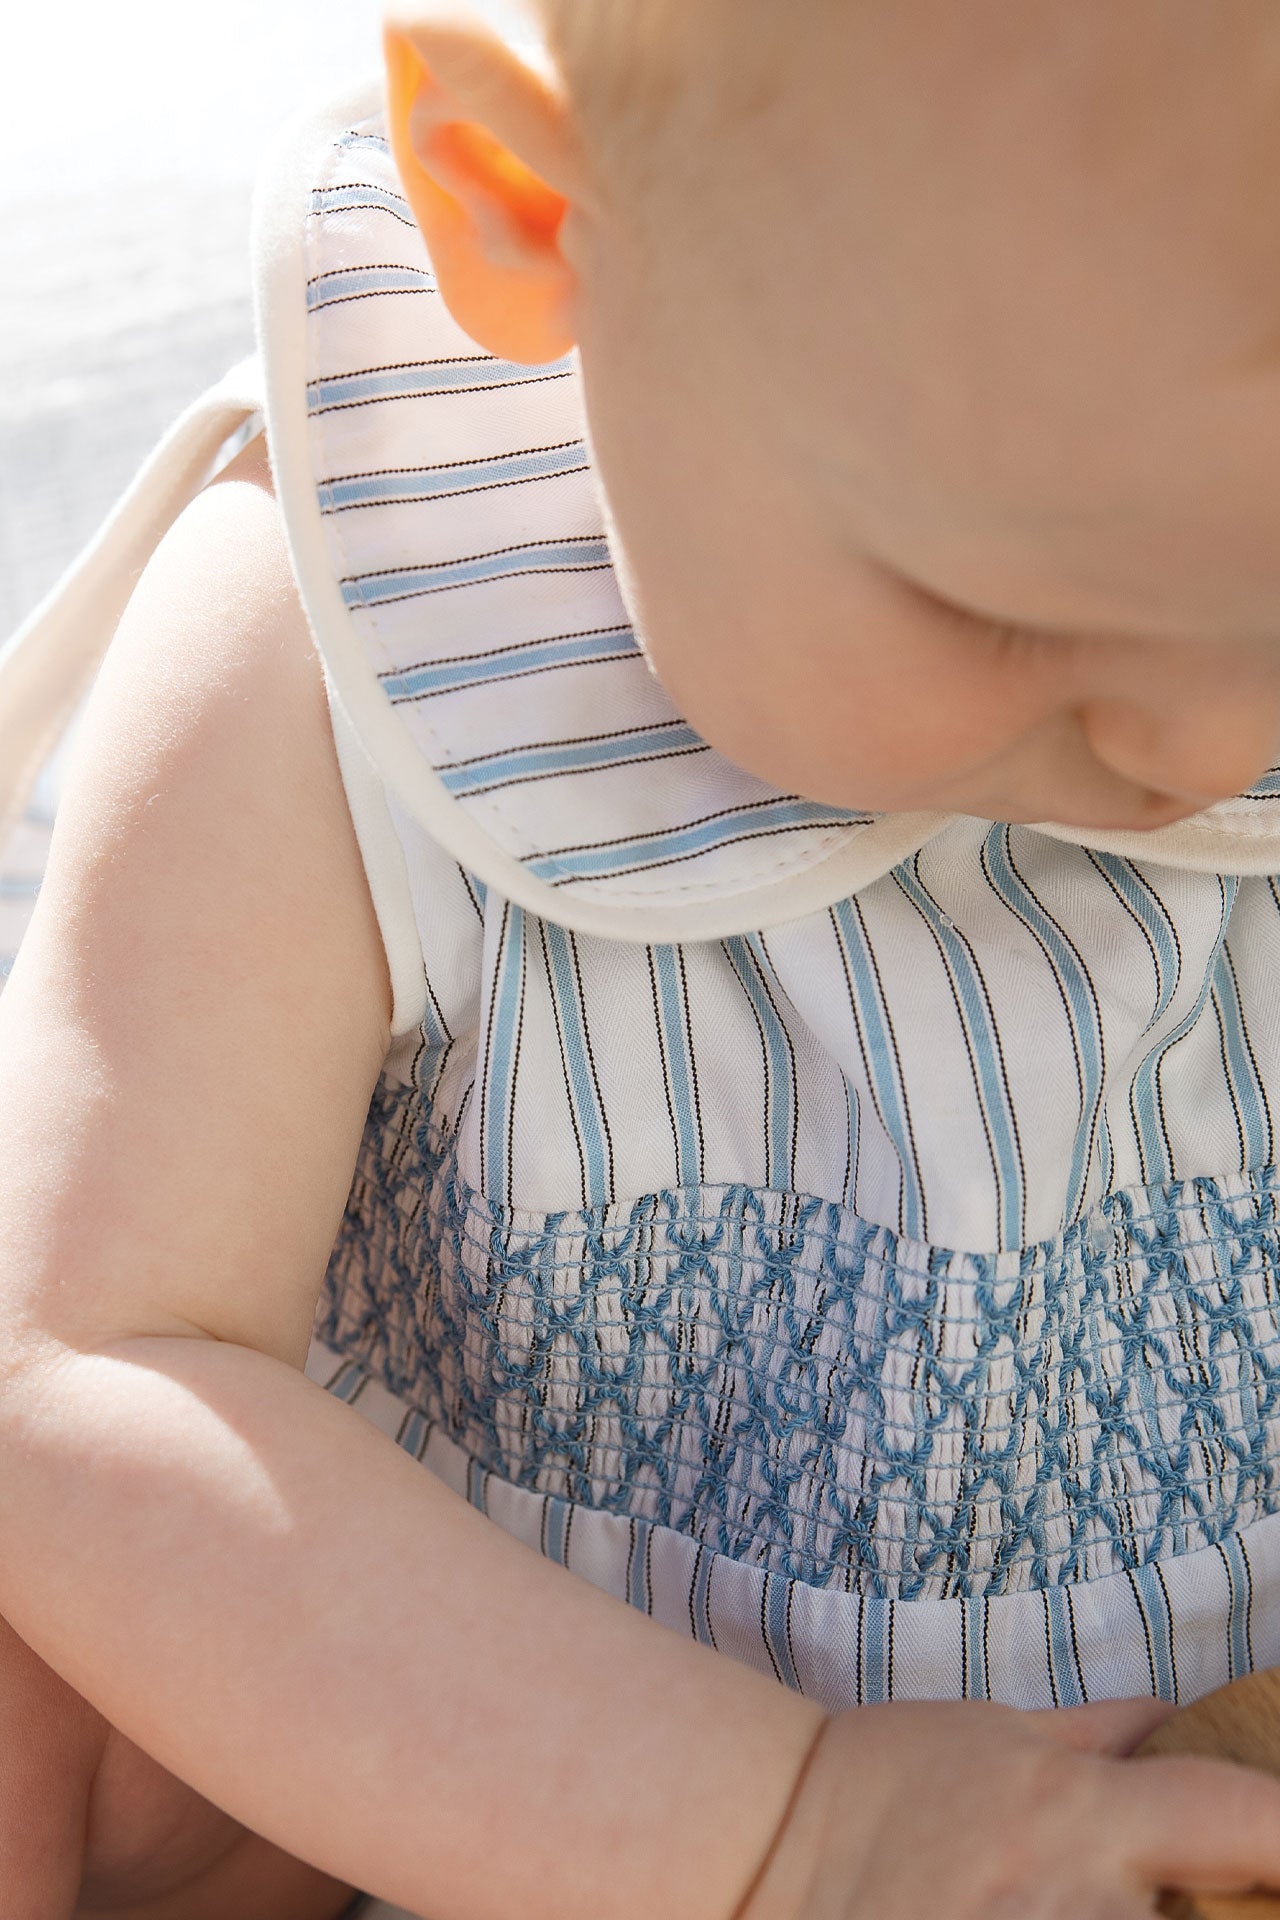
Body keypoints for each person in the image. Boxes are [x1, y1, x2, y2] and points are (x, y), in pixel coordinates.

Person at [5, 1, 1280, 1913]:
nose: (1212, 748)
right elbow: (84, 1382)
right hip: (524, 1820)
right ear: (531, 208)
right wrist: (779, 1835)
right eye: (1004, 610)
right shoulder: (329, 655)